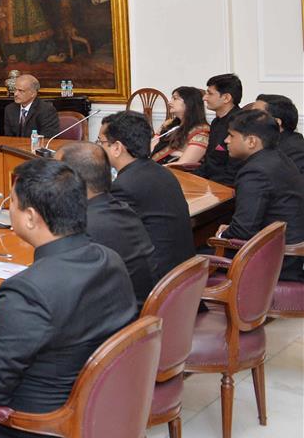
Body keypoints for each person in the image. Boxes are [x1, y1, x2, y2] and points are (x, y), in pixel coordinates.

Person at [0, 158, 136, 438]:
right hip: (107, 421)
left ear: (29, 217)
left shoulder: (28, 292)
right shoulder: (111, 260)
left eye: (10, 201)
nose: (7, 207)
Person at [100, 112, 194, 284]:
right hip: (182, 276)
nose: (99, 148)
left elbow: (114, 241)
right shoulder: (162, 172)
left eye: (101, 142)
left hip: (158, 284)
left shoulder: (124, 185)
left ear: (117, 147)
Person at [55, 143, 156, 302]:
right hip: (137, 312)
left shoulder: (84, 228)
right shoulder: (121, 209)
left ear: (71, 182)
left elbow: (60, 291)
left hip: (121, 321)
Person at [217, 110, 304, 282]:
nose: (226, 141)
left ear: (251, 141)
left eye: (231, 135)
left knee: (189, 257)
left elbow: (243, 231)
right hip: (290, 254)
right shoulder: (279, 158)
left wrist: (222, 234)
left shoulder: (255, 172)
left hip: (277, 261)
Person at [193, 73, 243, 185]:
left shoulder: (241, 124)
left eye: (209, 94)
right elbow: (210, 161)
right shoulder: (216, 122)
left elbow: (234, 169)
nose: (204, 98)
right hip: (210, 181)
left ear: (226, 98)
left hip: (226, 186)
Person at [151, 86, 211, 168]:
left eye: (175, 99)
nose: (169, 102)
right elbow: (151, 149)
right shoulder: (168, 124)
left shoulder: (202, 132)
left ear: (189, 103)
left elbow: (183, 165)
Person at [249, 94, 304, 175]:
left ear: (277, 123)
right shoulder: (266, 142)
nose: (248, 118)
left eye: (255, 114)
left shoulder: (295, 151)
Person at [2, 73, 60, 138]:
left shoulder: (46, 110)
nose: (15, 94)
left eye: (21, 91)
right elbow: (8, 137)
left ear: (33, 93)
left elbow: (47, 138)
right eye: (15, 90)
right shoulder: (10, 109)